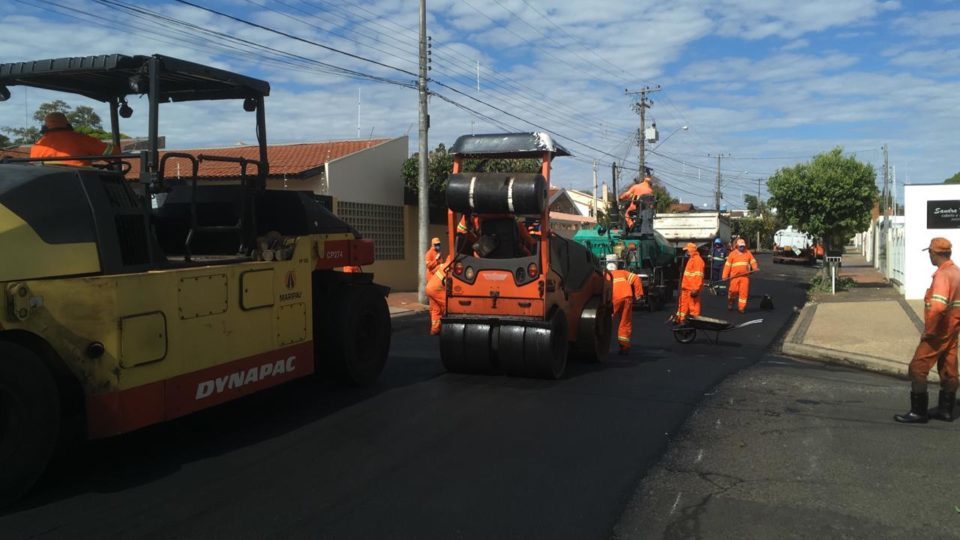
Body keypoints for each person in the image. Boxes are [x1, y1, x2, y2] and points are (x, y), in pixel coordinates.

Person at [895, 237, 960, 423]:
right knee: (949, 369)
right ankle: (945, 411)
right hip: (952, 330)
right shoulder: (956, 272)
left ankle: (919, 412)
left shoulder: (942, 275)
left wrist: (930, 330)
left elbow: (938, 307)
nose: (929, 256)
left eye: (930, 252)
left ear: (934, 253)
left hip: (938, 331)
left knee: (917, 368)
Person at [30, 112, 118, 167]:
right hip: (83, 188)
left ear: (45, 127)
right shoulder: (82, 139)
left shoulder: (37, 146)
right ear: (67, 124)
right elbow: (114, 153)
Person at [607, 255, 643, 355]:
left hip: (614, 299)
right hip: (627, 297)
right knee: (625, 321)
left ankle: (602, 344)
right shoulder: (623, 273)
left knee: (606, 321)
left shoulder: (605, 275)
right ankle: (624, 346)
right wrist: (638, 294)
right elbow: (636, 279)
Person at [722, 238, 758, 313]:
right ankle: (730, 303)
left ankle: (741, 308)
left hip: (744, 277)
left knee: (743, 293)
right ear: (737, 246)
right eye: (741, 246)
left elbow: (753, 261)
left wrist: (755, 267)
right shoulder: (732, 254)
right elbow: (727, 265)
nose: (742, 247)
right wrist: (724, 275)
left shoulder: (747, 253)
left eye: (743, 246)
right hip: (734, 277)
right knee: (733, 291)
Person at [676, 242, 704, 324]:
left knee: (693, 306)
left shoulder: (698, 261)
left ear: (691, 250)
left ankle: (694, 322)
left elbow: (699, 276)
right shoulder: (691, 259)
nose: (686, 252)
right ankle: (681, 319)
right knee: (683, 304)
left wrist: (696, 289)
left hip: (692, 289)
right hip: (686, 288)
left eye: (687, 250)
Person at [425, 263, 448, 336]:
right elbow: (429, 266)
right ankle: (445, 328)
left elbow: (433, 270)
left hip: (430, 287)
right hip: (436, 289)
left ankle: (434, 330)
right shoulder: (451, 265)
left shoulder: (445, 265)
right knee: (448, 305)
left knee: (436, 309)